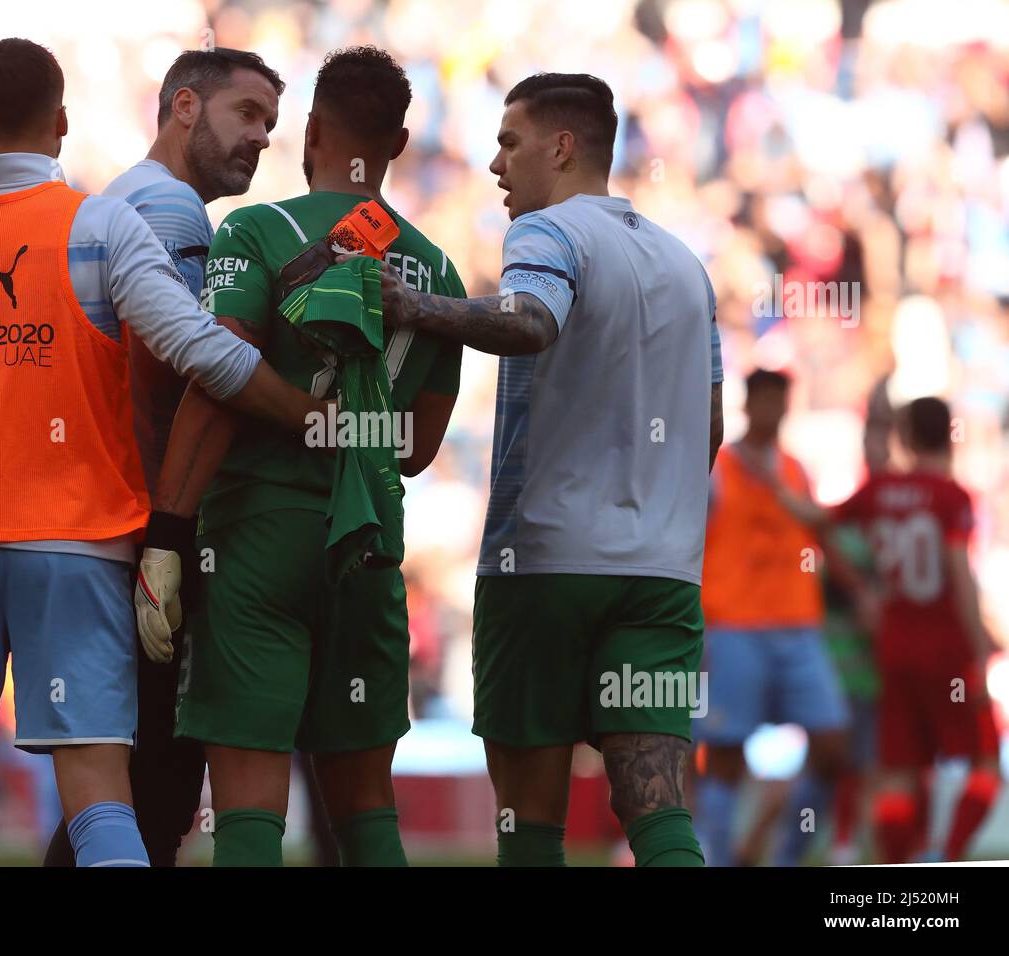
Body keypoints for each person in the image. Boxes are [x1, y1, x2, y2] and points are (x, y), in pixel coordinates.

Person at [0, 37, 321, 867]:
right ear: (60, 123)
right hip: (81, 548)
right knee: (99, 790)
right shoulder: (101, 225)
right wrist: (311, 414)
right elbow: (203, 353)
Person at [370, 72, 723, 866]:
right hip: (663, 573)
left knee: (529, 825)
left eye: (508, 142)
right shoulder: (686, 266)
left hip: (545, 562)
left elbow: (530, 321)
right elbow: (712, 427)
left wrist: (412, 307)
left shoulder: (547, 232)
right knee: (658, 810)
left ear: (561, 148)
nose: (496, 166)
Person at [152, 45, 466, 866]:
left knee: (250, 808)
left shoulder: (255, 228)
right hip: (368, 544)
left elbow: (219, 372)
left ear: (313, 129)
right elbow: (419, 449)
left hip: (256, 533)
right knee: (366, 809)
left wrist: (167, 532)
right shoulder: (439, 271)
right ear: (396, 146)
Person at [42, 46, 285, 869]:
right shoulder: (172, 212)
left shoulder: (123, 199)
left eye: (270, 125)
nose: (260, 139)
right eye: (245, 115)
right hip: (145, 523)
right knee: (158, 788)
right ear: (185, 106)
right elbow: (178, 369)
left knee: (123, 789)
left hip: (109, 519)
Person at [771, 397, 1000, 862]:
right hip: (946, 649)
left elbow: (816, 518)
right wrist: (979, 654)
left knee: (897, 771)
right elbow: (959, 576)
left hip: (893, 649)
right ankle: (945, 853)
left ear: (907, 435)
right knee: (985, 764)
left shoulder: (880, 492)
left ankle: (899, 859)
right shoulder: (953, 498)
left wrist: (775, 486)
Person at [693, 368, 860, 867]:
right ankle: (721, 858)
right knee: (724, 756)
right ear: (749, 404)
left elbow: (821, 535)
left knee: (833, 747)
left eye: (779, 402)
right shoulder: (717, 469)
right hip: (732, 626)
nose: (773, 411)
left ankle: (784, 856)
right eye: (765, 401)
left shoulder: (794, 470)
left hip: (798, 625)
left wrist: (860, 592)